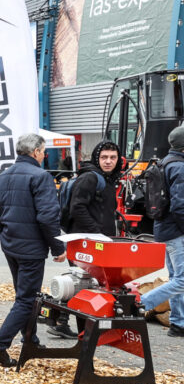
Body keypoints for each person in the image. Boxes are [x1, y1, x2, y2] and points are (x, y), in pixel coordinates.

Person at [0, 133, 67, 366]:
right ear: (36, 152)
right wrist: (58, 247)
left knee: (24, 297)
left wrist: (5, 237)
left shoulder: (3, 176)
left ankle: (30, 339)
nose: (44, 155)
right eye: (43, 151)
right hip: (31, 249)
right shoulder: (41, 176)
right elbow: (48, 216)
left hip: (11, 247)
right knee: (27, 299)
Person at [49, 141, 123, 338]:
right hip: (86, 241)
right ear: (97, 158)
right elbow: (77, 208)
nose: (108, 161)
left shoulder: (106, 178)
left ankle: (64, 322)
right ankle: (70, 325)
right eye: (104, 157)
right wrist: (96, 232)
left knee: (84, 282)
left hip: (95, 240)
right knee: (81, 282)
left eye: (113, 157)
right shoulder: (90, 177)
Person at [140, 127, 184, 338]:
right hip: (176, 232)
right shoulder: (180, 168)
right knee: (182, 280)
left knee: (176, 278)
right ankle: (140, 303)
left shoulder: (165, 163)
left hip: (163, 229)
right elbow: (180, 206)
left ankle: (178, 323)